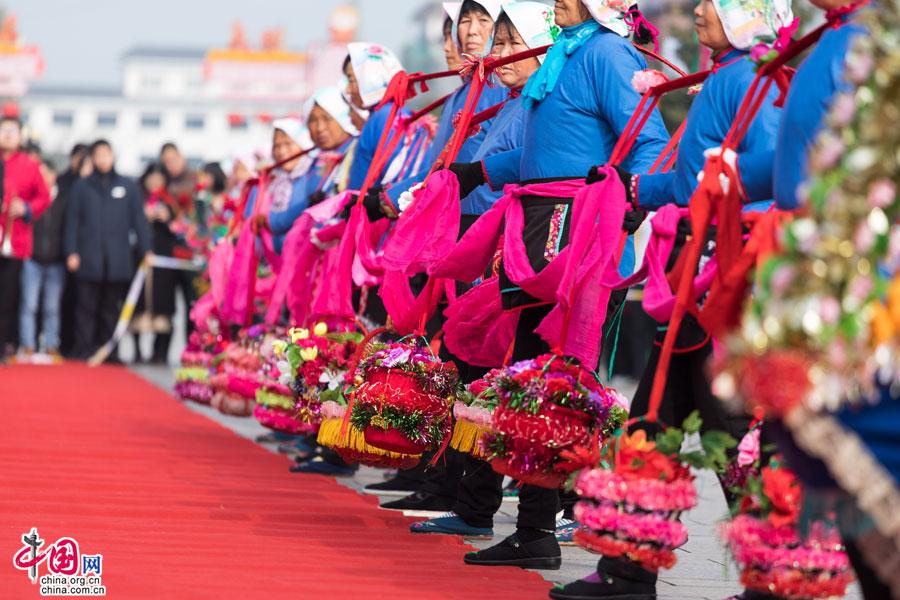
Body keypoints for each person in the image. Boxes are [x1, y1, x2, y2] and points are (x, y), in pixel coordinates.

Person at [550, 0, 792, 596]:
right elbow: (695, 179)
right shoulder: (732, 74)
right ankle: (630, 568)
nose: (701, 10)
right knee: (655, 422)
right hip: (696, 270)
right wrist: (644, 187)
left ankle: (771, 575)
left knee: (727, 431)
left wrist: (654, 192)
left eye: (714, 3)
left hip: (720, 276)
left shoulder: (747, 78)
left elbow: (747, 182)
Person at [440, 0, 669, 572]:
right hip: (539, 226)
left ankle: (555, 522)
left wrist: (628, 201)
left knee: (559, 376)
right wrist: (481, 171)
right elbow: (545, 154)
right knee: (534, 376)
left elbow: (650, 138)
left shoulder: (607, 53)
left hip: (578, 229)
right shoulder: (566, 54)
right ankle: (535, 528)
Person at [392, 0, 560, 521]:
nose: (474, 35)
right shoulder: (500, 93)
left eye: (485, 25)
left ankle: (529, 509)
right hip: (490, 237)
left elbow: (529, 163)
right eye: (465, 23)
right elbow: (484, 162)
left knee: (511, 368)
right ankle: (467, 493)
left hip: (516, 240)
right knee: (476, 361)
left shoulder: (542, 90)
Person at [64, 140, 151, 362]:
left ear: (113, 156)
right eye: (99, 155)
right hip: (88, 256)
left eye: (107, 154)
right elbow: (72, 221)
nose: (103, 159)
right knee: (85, 307)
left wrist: (146, 249)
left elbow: (139, 221)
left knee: (111, 308)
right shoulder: (81, 187)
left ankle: (109, 351)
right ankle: (84, 348)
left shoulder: (128, 186)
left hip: (117, 257)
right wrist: (71, 251)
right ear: (92, 158)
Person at [0, 116, 51, 360]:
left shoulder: (30, 166)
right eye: (4, 130)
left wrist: (27, 209)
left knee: (8, 296)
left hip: (15, 240)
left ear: (20, 136)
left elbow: (43, 196)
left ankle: (3, 345)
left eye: (13, 131)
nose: (8, 135)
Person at [17, 160, 67, 361]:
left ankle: (51, 345)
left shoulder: (64, 198)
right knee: (29, 304)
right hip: (32, 257)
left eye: (46, 173)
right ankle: (28, 344)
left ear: (54, 175)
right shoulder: (29, 199)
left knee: (52, 307)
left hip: (56, 259)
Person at [59, 144, 91, 357]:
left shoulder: (94, 187)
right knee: (67, 301)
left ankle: (84, 344)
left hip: (90, 254)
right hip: (67, 251)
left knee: (86, 304)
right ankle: (67, 343)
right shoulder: (66, 184)